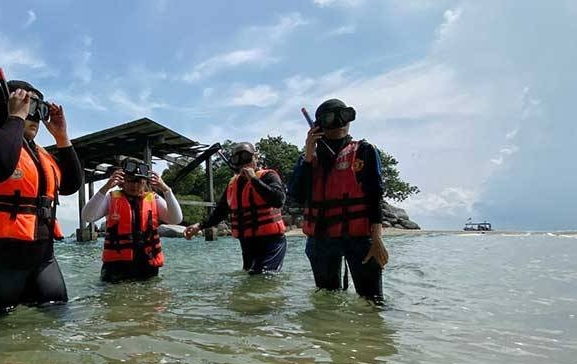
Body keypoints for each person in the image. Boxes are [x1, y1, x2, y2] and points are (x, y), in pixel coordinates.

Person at [0, 81, 82, 315]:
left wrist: (62, 137)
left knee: (56, 323)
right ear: (9, 105)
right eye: (28, 106)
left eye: (40, 111)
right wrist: (15, 119)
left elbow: (71, 184)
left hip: (41, 260)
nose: (36, 118)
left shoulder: (39, 155)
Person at [286, 98, 389, 302]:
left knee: (372, 301)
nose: (339, 123)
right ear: (318, 125)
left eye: (344, 116)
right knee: (326, 300)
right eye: (331, 118)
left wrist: (377, 239)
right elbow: (296, 195)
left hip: (359, 238)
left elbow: (375, 196)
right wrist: (308, 153)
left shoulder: (364, 151)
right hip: (321, 239)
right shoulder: (309, 157)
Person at [184, 142, 288, 273]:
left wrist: (254, 180)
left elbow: (278, 200)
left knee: (262, 278)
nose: (243, 163)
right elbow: (220, 212)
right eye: (237, 159)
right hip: (247, 243)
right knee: (250, 279)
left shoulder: (268, 176)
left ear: (256, 157)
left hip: (271, 243)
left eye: (246, 157)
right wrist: (199, 226)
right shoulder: (233, 184)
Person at [81, 157, 183, 282]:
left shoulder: (153, 199)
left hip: (147, 265)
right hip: (116, 267)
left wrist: (166, 190)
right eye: (130, 181)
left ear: (145, 182)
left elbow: (176, 219)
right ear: (122, 181)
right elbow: (87, 217)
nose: (135, 185)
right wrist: (106, 187)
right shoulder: (111, 199)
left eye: (139, 181)